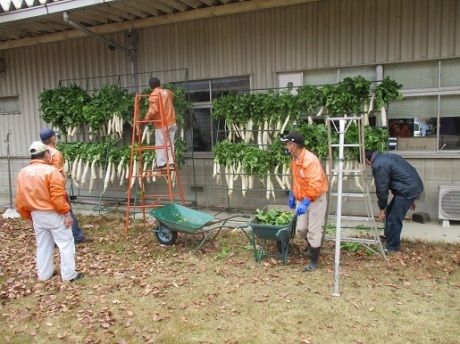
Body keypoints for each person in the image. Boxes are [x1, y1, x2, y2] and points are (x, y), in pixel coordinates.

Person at [15, 141, 84, 282]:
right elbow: (58, 196)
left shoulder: (23, 173)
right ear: (46, 154)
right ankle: (69, 275)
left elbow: (20, 197)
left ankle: (44, 274)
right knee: (65, 243)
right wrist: (66, 214)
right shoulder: (51, 171)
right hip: (53, 214)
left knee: (43, 245)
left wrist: (27, 214)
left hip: (36, 214)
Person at [281, 132, 329, 272]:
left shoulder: (310, 160)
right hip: (301, 197)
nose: (286, 146)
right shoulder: (295, 159)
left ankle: (314, 261)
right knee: (302, 229)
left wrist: (307, 201)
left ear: (293, 145)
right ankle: (311, 246)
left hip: (315, 199)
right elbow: (297, 179)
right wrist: (292, 193)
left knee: (313, 231)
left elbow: (315, 184)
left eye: (287, 144)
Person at [362, 150, 424, 253]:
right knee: (390, 212)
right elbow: (403, 174)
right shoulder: (386, 157)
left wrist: (382, 208)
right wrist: (410, 199)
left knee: (393, 219)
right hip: (410, 187)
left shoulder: (379, 165)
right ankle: (389, 238)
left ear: (366, 160)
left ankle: (393, 248)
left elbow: (382, 188)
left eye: (363, 163)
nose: (366, 165)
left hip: (407, 189)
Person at [40, 128, 91, 244]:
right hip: (55, 188)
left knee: (51, 213)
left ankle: (52, 240)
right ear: (52, 138)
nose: (56, 138)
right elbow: (57, 173)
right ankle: (76, 236)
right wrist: (61, 190)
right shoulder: (55, 153)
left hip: (44, 188)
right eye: (55, 136)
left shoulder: (41, 153)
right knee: (67, 212)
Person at [145, 77, 177, 169]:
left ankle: (161, 164)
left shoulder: (154, 95)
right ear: (159, 84)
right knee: (170, 143)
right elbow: (171, 98)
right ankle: (171, 163)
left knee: (160, 144)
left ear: (151, 86)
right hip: (172, 121)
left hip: (162, 123)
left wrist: (146, 119)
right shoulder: (168, 92)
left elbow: (153, 110)